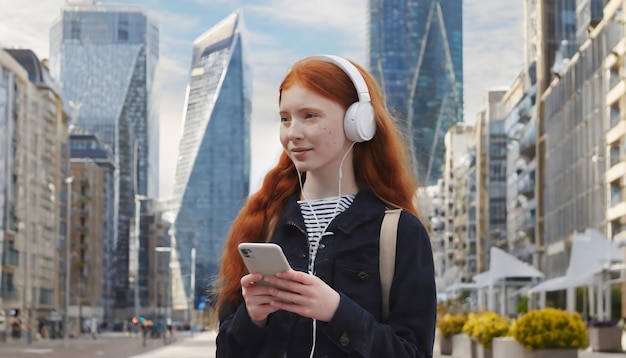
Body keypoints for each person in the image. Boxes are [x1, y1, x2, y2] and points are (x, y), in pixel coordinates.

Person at [215, 55, 436, 357]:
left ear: (358, 122)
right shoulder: (261, 224)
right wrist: (252, 317)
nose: (292, 132)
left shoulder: (399, 233)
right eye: (285, 118)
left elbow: (414, 353)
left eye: (310, 115)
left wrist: (337, 311)